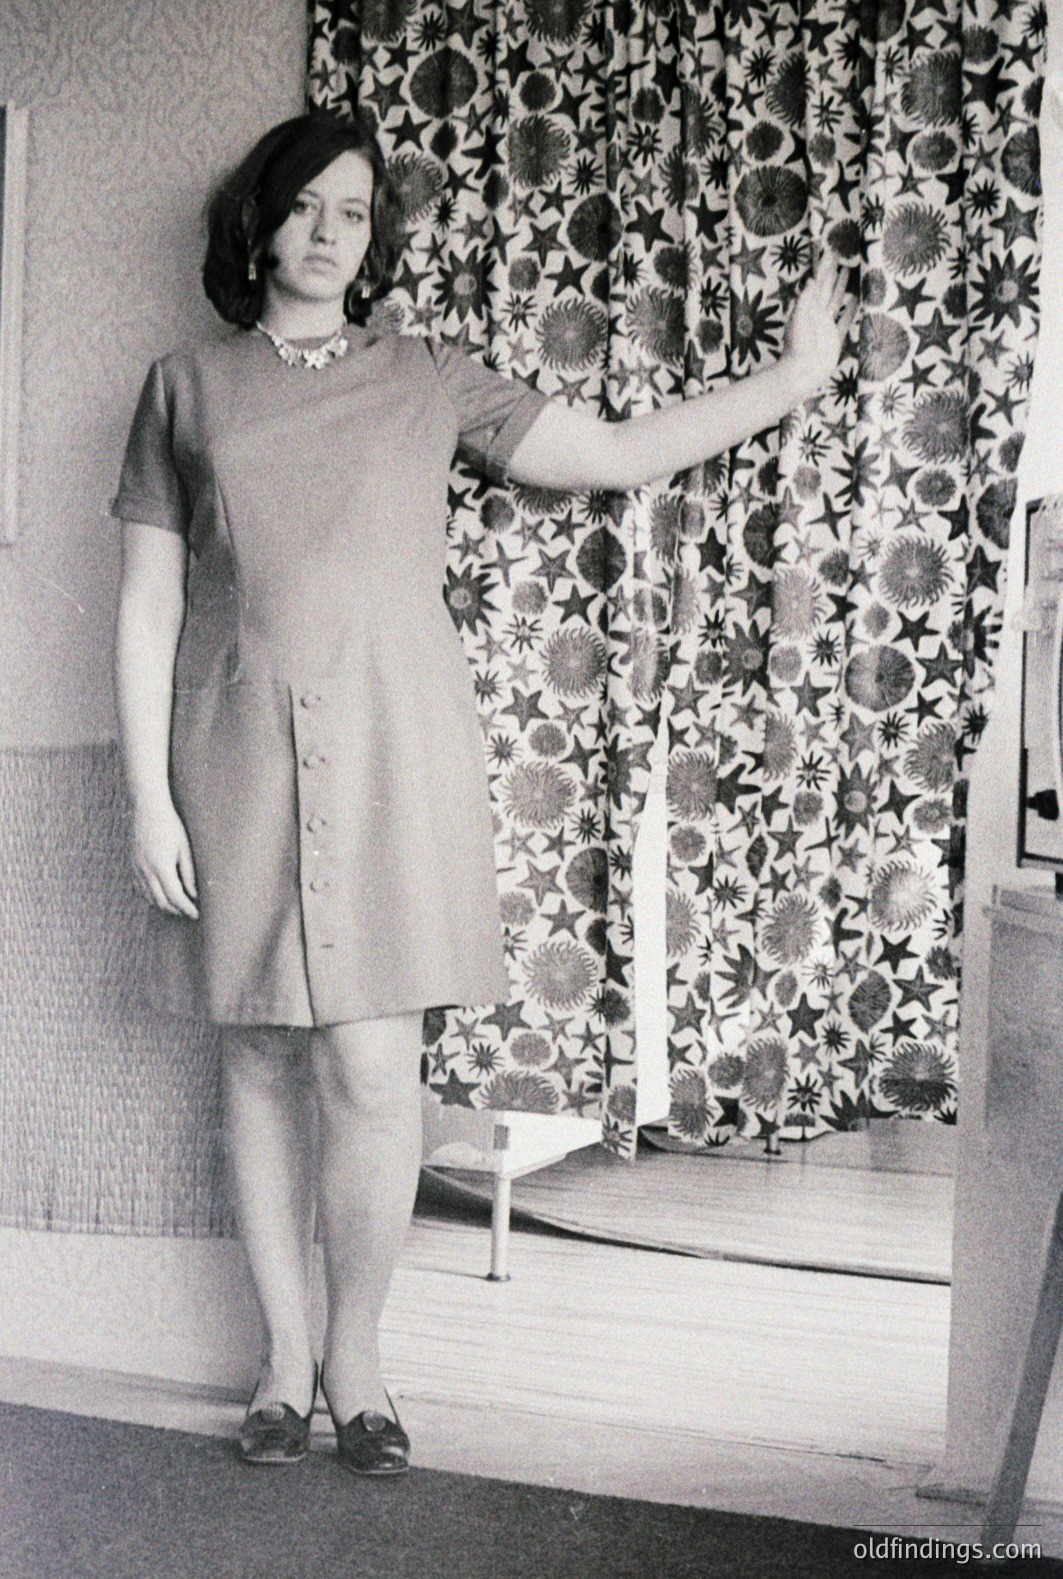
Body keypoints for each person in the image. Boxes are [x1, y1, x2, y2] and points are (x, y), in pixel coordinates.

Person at [112, 110, 853, 1478]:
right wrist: (149, 799)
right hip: (230, 756)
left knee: (371, 1065)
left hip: (399, 750)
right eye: (309, 207)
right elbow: (150, 599)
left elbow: (619, 455)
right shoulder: (183, 386)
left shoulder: (427, 377)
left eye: (358, 211)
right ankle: (281, 1365)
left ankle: (360, 1359)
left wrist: (796, 379)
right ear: (257, 222)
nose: (334, 234)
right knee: (262, 1057)